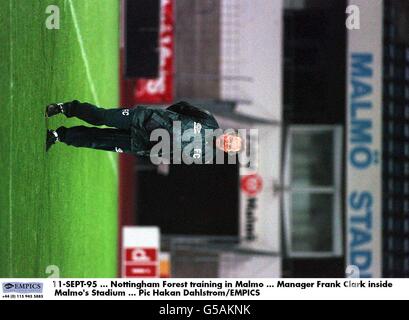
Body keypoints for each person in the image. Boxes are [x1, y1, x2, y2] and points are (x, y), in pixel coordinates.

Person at [45, 100, 242, 163]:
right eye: (231, 140)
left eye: (231, 147)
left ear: (227, 152)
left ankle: (58, 135)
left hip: (140, 144)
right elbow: (182, 107)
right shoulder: (208, 120)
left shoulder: (205, 157)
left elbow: (173, 156)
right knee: (102, 117)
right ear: (228, 134)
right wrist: (159, 118)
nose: (228, 143)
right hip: (144, 119)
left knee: (97, 140)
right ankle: (66, 108)